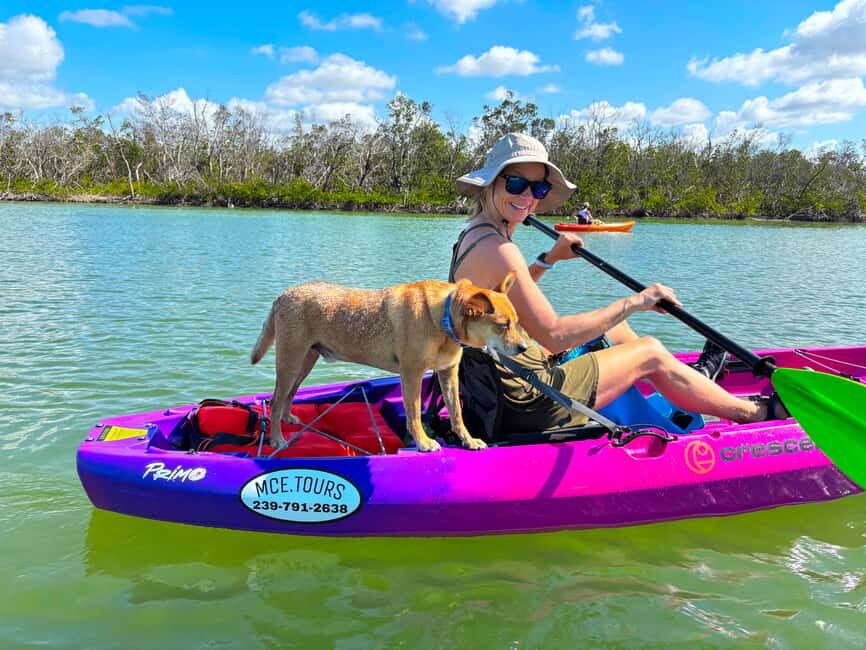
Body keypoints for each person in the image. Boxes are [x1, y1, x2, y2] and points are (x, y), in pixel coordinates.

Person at [450, 133, 787, 434]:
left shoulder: (474, 235)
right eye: (515, 184)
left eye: (537, 188)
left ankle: (687, 387)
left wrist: (548, 260)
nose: (527, 196)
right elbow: (553, 334)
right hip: (528, 401)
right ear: (491, 184)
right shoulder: (501, 249)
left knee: (618, 331)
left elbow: (505, 294)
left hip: (495, 390)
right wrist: (638, 301)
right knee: (650, 351)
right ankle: (754, 412)